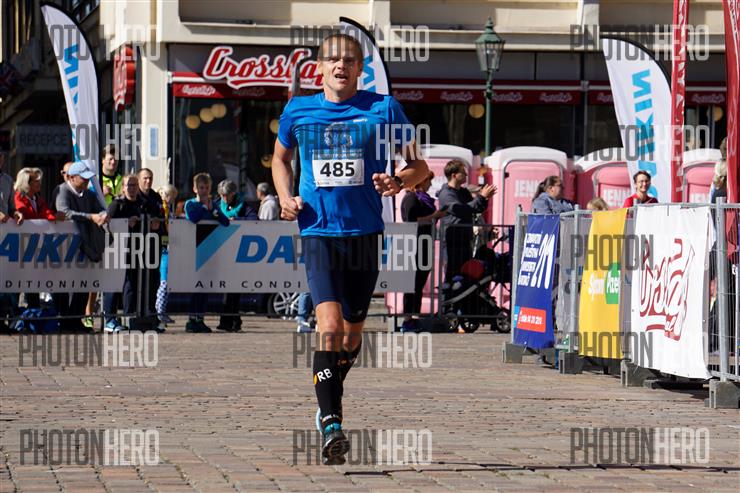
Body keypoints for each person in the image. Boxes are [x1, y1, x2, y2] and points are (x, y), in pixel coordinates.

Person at [271, 33, 429, 465]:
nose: (341, 65)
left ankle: (330, 391)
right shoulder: (297, 110)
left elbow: (419, 166)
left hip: (365, 234)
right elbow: (279, 159)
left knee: (352, 334)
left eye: (350, 60)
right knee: (329, 325)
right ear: (319, 67)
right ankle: (331, 422)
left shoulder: (384, 108)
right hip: (318, 231)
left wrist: (397, 181)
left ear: (361, 69)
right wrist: (284, 197)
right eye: (333, 59)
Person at [103, 175, 162, 332]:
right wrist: (126, 224)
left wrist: (154, 224)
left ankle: (134, 318)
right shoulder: (117, 204)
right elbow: (106, 225)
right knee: (118, 285)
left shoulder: (144, 204)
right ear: (122, 187)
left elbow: (156, 220)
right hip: (117, 250)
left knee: (135, 285)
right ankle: (111, 319)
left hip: (138, 250)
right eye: (128, 185)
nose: (132, 188)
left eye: (134, 185)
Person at [55, 161, 109, 331]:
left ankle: (76, 320)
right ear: (72, 177)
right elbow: (64, 212)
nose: (86, 181)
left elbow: (100, 208)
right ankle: (64, 321)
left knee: (84, 282)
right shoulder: (62, 190)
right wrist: (90, 217)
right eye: (83, 178)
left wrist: (103, 215)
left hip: (85, 244)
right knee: (64, 284)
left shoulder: (89, 194)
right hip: (65, 246)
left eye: (87, 178)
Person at [400, 171, 446, 332]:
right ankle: (407, 320)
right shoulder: (411, 198)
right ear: (420, 181)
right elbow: (411, 221)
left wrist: (435, 216)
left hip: (425, 243)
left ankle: (415, 317)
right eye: (428, 181)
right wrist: (434, 216)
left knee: (419, 282)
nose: (430, 184)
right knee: (411, 283)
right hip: (413, 243)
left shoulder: (424, 199)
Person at [13, 167, 66, 309]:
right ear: (26, 183)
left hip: (35, 245)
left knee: (33, 281)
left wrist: (53, 216)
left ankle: (34, 312)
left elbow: (46, 211)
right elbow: (26, 214)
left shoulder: (37, 198)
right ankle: (14, 314)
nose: (39, 183)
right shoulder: (18, 197)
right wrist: (49, 218)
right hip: (20, 245)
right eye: (36, 181)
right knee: (16, 282)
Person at [184, 172, 230, 333]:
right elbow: (193, 218)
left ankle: (200, 318)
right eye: (201, 188)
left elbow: (225, 222)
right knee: (196, 286)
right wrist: (205, 208)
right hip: (194, 249)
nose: (203, 191)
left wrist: (213, 211)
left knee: (204, 286)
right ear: (195, 189)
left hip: (209, 250)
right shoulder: (190, 204)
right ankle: (191, 320)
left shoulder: (213, 204)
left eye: (206, 188)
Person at [438, 160, 496, 281]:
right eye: (463, 172)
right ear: (454, 175)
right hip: (452, 244)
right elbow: (462, 210)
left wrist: (485, 198)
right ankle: (448, 293)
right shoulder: (446, 194)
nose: (466, 174)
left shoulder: (463, 192)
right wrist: (481, 197)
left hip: (465, 242)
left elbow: (476, 209)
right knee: (452, 277)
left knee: (465, 276)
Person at [215, 179, 258, 332]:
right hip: (222, 251)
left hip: (239, 251)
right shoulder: (217, 204)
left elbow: (254, 220)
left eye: (226, 195)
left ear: (233, 193)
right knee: (227, 288)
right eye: (221, 195)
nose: (224, 198)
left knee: (233, 289)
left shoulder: (243, 206)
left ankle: (229, 321)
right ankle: (232, 320)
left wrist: (237, 220)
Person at [156, 185, 178, 325]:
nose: (172, 199)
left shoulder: (168, 209)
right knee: (164, 281)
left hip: (167, 246)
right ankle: (159, 311)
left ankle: (161, 311)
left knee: (167, 281)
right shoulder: (162, 209)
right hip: (164, 247)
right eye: (171, 196)